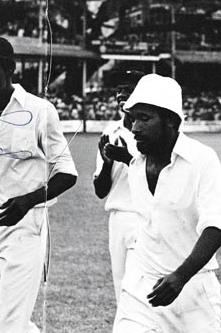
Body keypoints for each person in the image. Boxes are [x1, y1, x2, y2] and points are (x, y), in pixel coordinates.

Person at [0, 36, 78, 333]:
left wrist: (28, 201)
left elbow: (66, 172)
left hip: (26, 227)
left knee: (9, 327)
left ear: (9, 69)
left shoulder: (40, 111)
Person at [113, 73, 221, 332]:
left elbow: (215, 226)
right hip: (139, 291)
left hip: (192, 293)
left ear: (171, 120)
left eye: (145, 118)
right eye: (133, 118)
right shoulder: (137, 163)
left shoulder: (202, 160)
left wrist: (180, 277)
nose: (135, 127)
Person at [93, 70, 144, 302]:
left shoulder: (152, 131)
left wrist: (126, 158)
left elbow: (160, 179)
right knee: (120, 283)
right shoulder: (110, 132)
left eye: (128, 90)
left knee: (141, 284)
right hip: (117, 219)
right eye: (119, 90)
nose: (121, 95)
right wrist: (106, 164)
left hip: (144, 217)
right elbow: (101, 191)